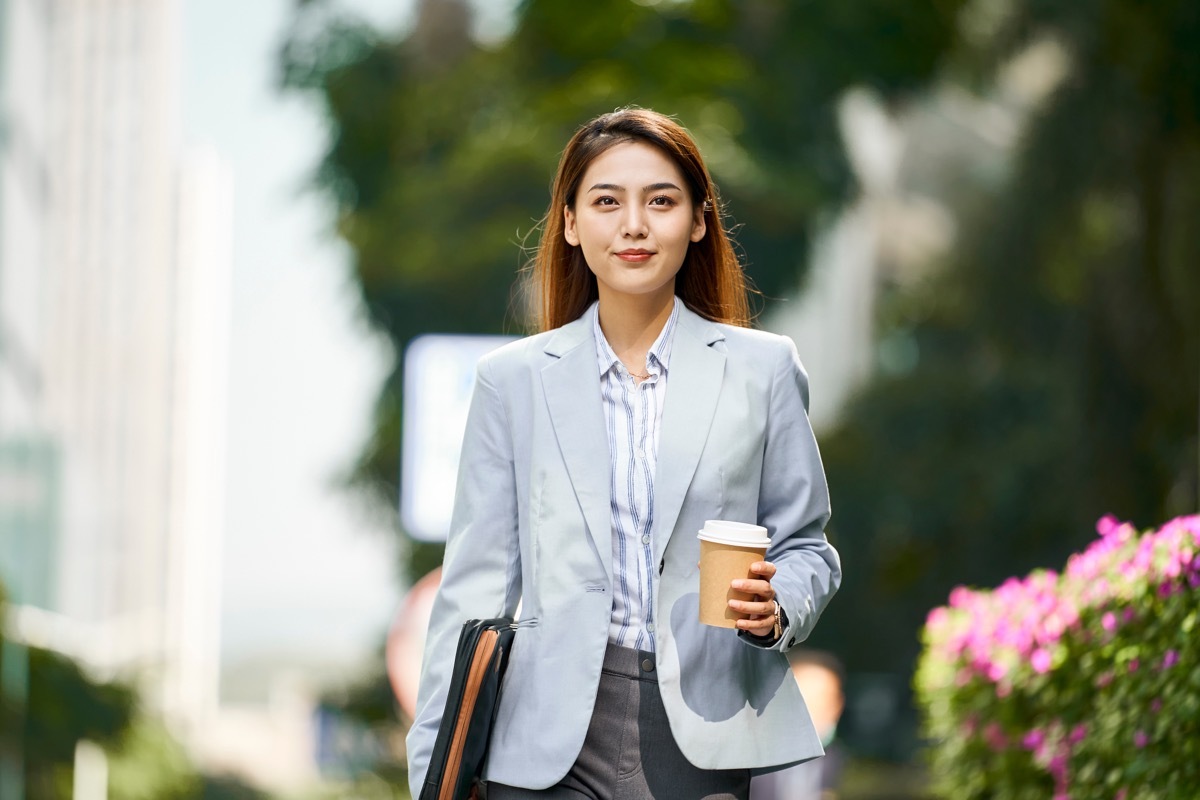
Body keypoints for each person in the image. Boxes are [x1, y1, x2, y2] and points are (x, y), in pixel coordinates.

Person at [406, 107, 841, 800]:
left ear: (698, 220)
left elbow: (807, 547)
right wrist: (433, 771)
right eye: (606, 201)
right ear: (572, 223)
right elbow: (472, 593)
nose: (633, 224)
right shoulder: (512, 383)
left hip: (702, 726)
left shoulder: (763, 371)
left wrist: (777, 608)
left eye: (660, 201)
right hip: (541, 739)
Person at [749, 650, 847, 800]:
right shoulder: (747, 763)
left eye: (821, 700)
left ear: (837, 706)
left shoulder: (846, 766)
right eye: (803, 699)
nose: (812, 711)